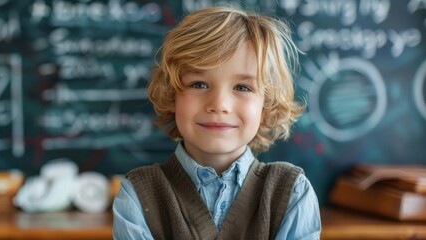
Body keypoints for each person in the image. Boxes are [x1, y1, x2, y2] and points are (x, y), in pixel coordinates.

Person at [112, 5, 321, 240]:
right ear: (172, 94)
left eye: (242, 87)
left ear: (267, 104)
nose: (219, 104)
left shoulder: (292, 192)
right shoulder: (138, 195)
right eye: (199, 84)